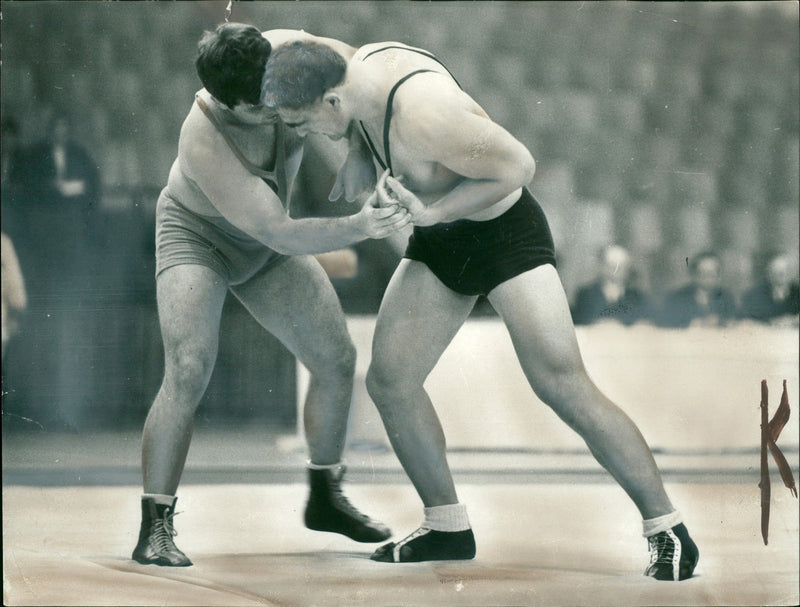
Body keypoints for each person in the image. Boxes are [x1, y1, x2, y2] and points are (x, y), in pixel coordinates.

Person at [261, 39, 699, 581]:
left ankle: (667, 527)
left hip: (503, 238)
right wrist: (355, 151)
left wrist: (435, 209)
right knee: (391, 380)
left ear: (330, 102)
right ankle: (447, 524)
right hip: (443, 240)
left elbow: (520, 166)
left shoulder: (424, 114)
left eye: (300, 124)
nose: (300, 135)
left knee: (561, 383)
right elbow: (304, 58)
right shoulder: (350, 70)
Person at [132, 24, 411, 567]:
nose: (278, 110)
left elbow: (361, 77)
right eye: (262, 108)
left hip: (263, 240)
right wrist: (361, 225)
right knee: (187, 367)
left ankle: (326, 496)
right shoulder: (205, 135)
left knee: (335, 358)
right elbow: (280, 232)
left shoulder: (290, 50)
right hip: (200, 237)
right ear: (225, 101)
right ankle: (155, 527)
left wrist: (355, 145)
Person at [571, 244, 651, 326]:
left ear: (627, 269)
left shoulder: (636, 297)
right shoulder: (585, 295)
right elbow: (578, 325)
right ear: (603, 267)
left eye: (621, 266)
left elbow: (642, 325)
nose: (616, 271)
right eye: (612, 266)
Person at [655, 251, 737, 328]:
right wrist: (696, 323)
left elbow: (734, 321)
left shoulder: (726, 297)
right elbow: (665, 324)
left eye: (712, 274)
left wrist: (721, 322)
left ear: (719, 276)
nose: (707, 278)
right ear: (693, 273)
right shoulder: (677, 298)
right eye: (703, 273)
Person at [740, 253, 800, 324]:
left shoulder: (797, 292)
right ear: (769, 272)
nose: (782, 275)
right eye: (776, 271)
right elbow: (746, 319)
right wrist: (772, 322)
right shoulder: (754, 294)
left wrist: (793, 320)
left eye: (786, 270)